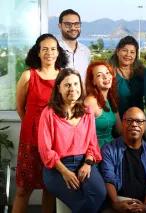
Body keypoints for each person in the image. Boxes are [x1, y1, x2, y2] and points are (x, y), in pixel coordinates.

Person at [38, 68, 106, 212]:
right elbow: (45, 150)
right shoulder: (49, 113)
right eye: (67, 85)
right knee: (81, 201)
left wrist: (88, 163)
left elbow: (92, 144)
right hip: (58, 167)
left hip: (84, 162)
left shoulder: (87, 111)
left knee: (100, 194)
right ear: (59, 88)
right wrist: (65, 172)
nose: (73, 89)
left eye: (76, 84)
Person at [13, 33, 68, 212]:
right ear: (38, 52)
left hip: (54, 142)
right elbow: (20, 108)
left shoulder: (63, 76)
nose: (49, 53)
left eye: (53, 49)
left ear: (58, 52)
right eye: (45, 49)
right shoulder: (28, 76)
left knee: (50, 189)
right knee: (23, 190)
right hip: (30, 141)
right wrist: (34, 126)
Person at [100, 107, 146, 213]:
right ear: (122, 124)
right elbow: (109, 179)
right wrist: (116, 203)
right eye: (129, 121)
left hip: (143, 204)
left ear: (145, 126)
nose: (134, 124)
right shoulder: (108, 149)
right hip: (119, 201)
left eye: (139, 121)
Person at [85, 61, 122, 147]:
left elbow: (120, 130)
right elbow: (84, 135)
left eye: (107, 73)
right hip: (96, 152)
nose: (105, 77)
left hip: (111, 148)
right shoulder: (90, 101)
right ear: (93, 81)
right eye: (99, 75)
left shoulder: (110, 99)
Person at [109, 36, 145, 119]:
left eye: (132, 52)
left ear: (136, 55)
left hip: (137, 122)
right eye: (125, 50)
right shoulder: (109, 73)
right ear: (117, 52)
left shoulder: (141, 73)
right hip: (117, 122)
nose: (128, 54)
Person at [58, 9, 90, 80]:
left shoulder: (86, 51)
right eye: (68, 24)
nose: (73, 28)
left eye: (76, 24)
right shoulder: (54, 50)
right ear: (60, 26)